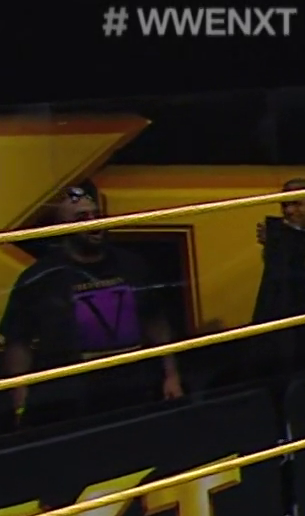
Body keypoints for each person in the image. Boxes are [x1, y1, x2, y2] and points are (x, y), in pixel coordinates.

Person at [2, 184, 183, 429]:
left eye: (96, 215)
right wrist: (19, 399)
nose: (93, 222)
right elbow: (18, 342)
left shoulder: (132, 265)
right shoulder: (40, 278)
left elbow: (156, 322)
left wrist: (171, 375)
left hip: (133, 390)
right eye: (82, 217)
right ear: (63, 227)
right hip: (70, 400)